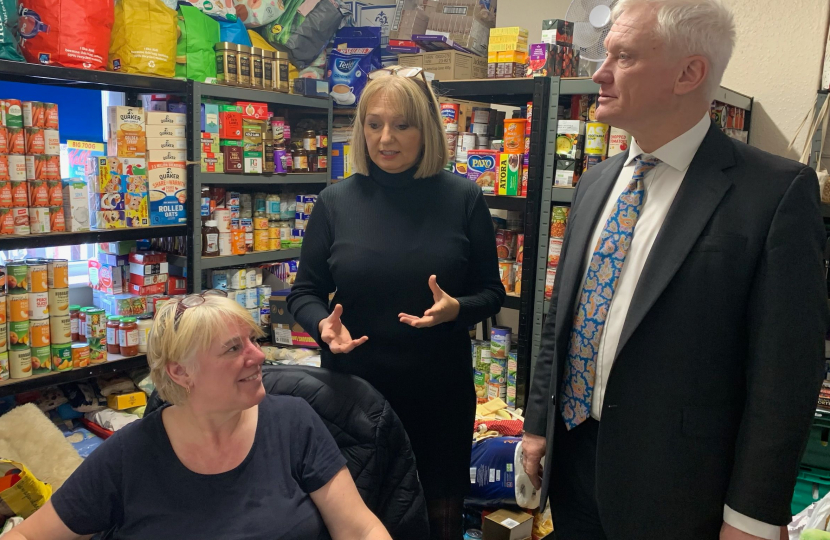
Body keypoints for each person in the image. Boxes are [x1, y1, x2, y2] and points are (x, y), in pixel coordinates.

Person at [521, 1, 829, 539]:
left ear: (689, 73)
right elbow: (561, 321)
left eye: (624, 56)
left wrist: (753, 516)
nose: (599, 72)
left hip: (680, 492)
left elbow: (785, 377)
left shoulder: (774, 194)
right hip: (572, 467)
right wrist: (536, 426)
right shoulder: (595, 184)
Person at [288, 67, 506, 539]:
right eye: (374, 123)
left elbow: (492, 293)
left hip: (438, 397)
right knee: (357, 519)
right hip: (352, 394)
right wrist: (323, 325)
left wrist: (457, 309)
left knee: (435, 520)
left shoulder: (463, 197)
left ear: (425, 129)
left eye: (402, 125)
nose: (386, 138)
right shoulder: (335, 202)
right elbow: (303, 292)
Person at [7, 293, 393, 540]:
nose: (259, 357)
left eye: (253, 341)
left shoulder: (293, 422)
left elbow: (359, 529)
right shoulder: (131, 454)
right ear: (180, 373)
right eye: (232, 349)